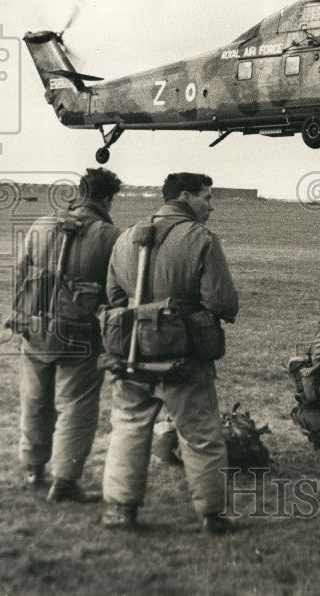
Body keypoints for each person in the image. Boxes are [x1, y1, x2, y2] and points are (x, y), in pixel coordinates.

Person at [100, 173, 239, 534]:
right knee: (201, 433)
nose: (210, 205)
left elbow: (114, 297)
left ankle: (120, 511)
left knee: (128, 428)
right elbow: (222, 302)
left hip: (130, 352)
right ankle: (212, 515)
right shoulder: (201, 238)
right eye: (206, 197)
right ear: (185, 197)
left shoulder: (127, 236)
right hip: (185, 356)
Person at [9, 167, 123, 502]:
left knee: (34, 400)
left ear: (80, 190)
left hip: (35, 328)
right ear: (106, 198)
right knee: (78, 405)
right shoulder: (109, 235)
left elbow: (21, 272)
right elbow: (115, 292)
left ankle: (33, 468)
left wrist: (22, 315)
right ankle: (65, 480)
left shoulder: (40, 225)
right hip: (80, 334)